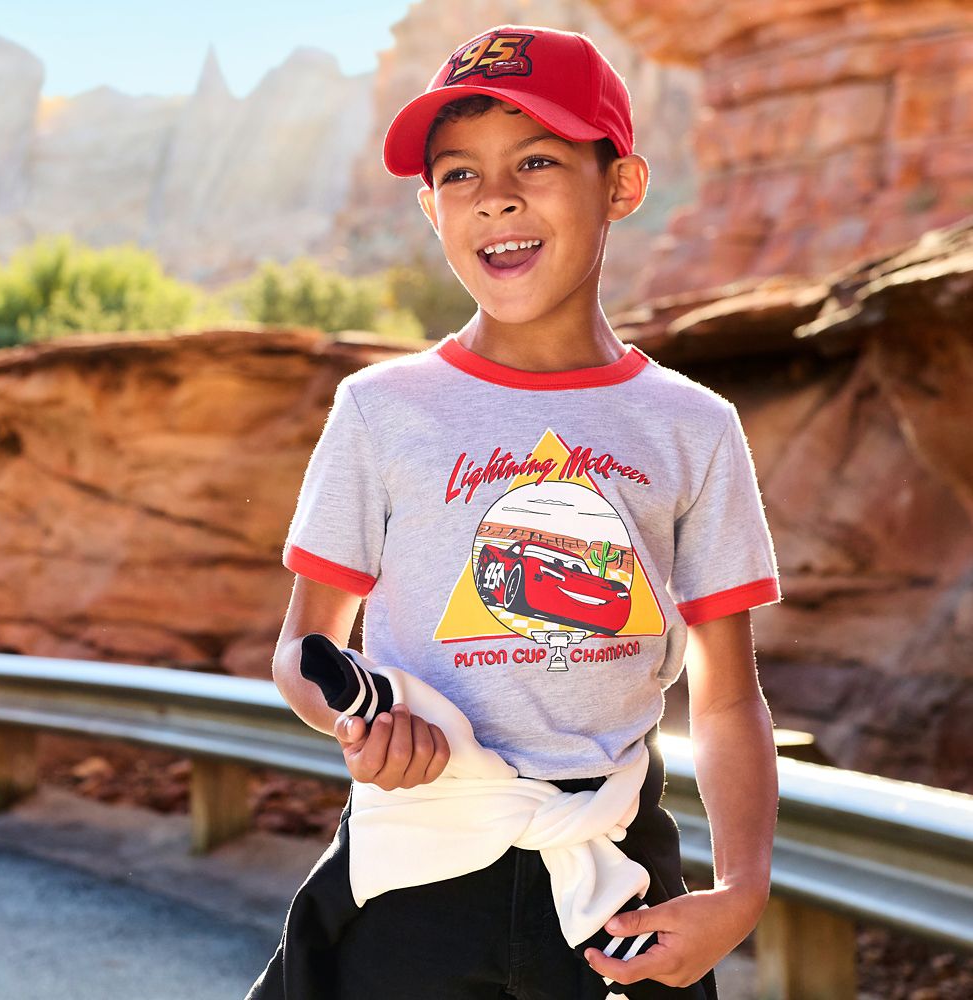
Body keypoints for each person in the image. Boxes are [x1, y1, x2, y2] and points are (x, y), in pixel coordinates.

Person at [249, 22, 781, 1000]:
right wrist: (359, 722)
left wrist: (739, 890)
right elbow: (303, 648)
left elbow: (725, 695)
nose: (495, 195)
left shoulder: (691, 428)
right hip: (411, 882)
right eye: (459, 174)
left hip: (614, 887)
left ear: (620, 184)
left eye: (536, 159)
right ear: (429, 206)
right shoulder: (380, 410)